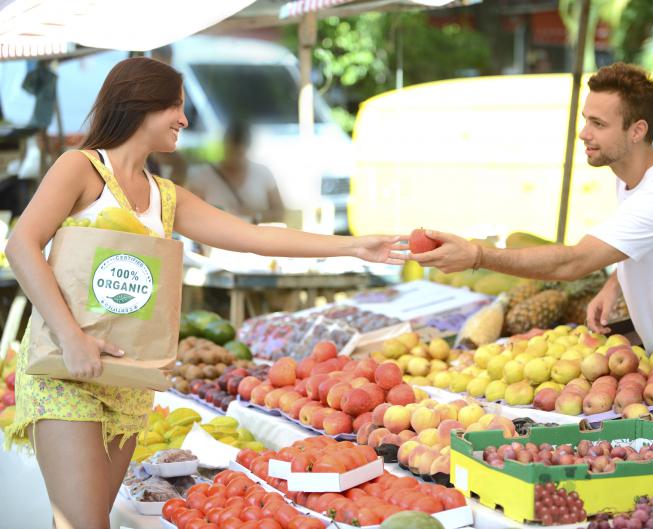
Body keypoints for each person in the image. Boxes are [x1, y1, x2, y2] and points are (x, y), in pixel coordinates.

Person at [2, 57, 404, 529]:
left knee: (81, 521)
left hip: (127, 380)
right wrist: (72, 337)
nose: (185, 120)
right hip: (65, 370)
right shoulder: (80, 168)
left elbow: (255, 238)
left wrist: (355, 245)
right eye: (176, 107)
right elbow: (21, 245)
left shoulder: (165, 196)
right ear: (140, 106)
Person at [412, 62, 653, 366]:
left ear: (637, 130)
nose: (583, 133)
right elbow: (647, 241)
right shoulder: (634, 171)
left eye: (598, 124)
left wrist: (477, 256)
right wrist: (615, 282)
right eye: (585, 120)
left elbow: (573, 263)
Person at [186, 119, 285, 223]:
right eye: (231, 152)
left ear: (248, 148)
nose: (235, 158)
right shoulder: (202, 175)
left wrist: (255, 215)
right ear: (225, 146)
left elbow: (280, 212)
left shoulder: (263, 173)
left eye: (239, 153)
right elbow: (192, 214)